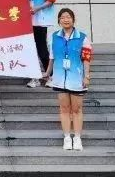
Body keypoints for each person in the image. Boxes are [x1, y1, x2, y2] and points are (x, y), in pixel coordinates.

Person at [44, 8, 92, 151]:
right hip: (60, 78)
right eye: (63, 17)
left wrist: (86, 76)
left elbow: (86, 59)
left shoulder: (82, 38)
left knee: (76, 109)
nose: (66, 19)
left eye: (68, 17)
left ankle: (77, 138)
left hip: (76, 78)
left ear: (73, 19)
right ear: (59, 21)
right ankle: (67, 137)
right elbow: (52, 57)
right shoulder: (54, 37)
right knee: (64, 109)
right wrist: (47, 73)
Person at [20, 0, 56, 88]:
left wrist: (37, 8)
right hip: (28, 22)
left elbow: (51, 0)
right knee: (30, 50)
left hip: (40, 20)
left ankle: (50, 76)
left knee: (42, 49)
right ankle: (34, 77)